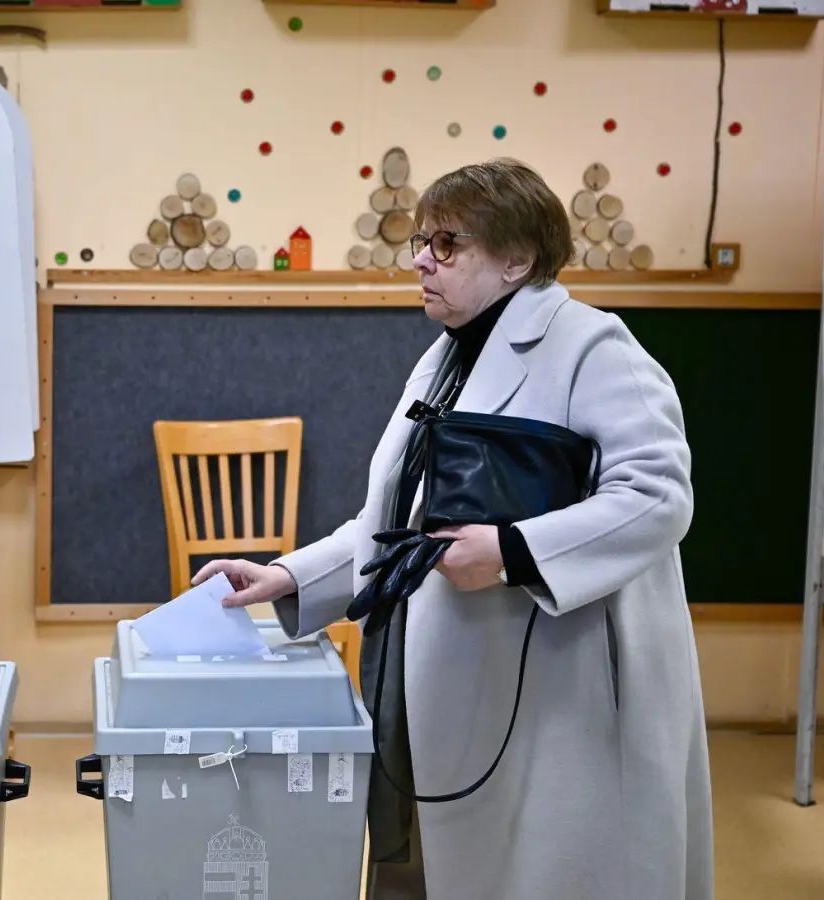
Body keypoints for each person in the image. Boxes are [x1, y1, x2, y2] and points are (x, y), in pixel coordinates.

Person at [193, 158, 713, 900]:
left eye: (446, 244)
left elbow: (658, 495)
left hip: (562, 695)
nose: (421, 261)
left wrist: (509, 553)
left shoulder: (594, 346)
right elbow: (401, 525)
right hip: (453, 681)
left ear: (517, 259)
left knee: (553, 869)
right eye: (421, 242)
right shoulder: (446, 357)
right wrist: (288, 575)